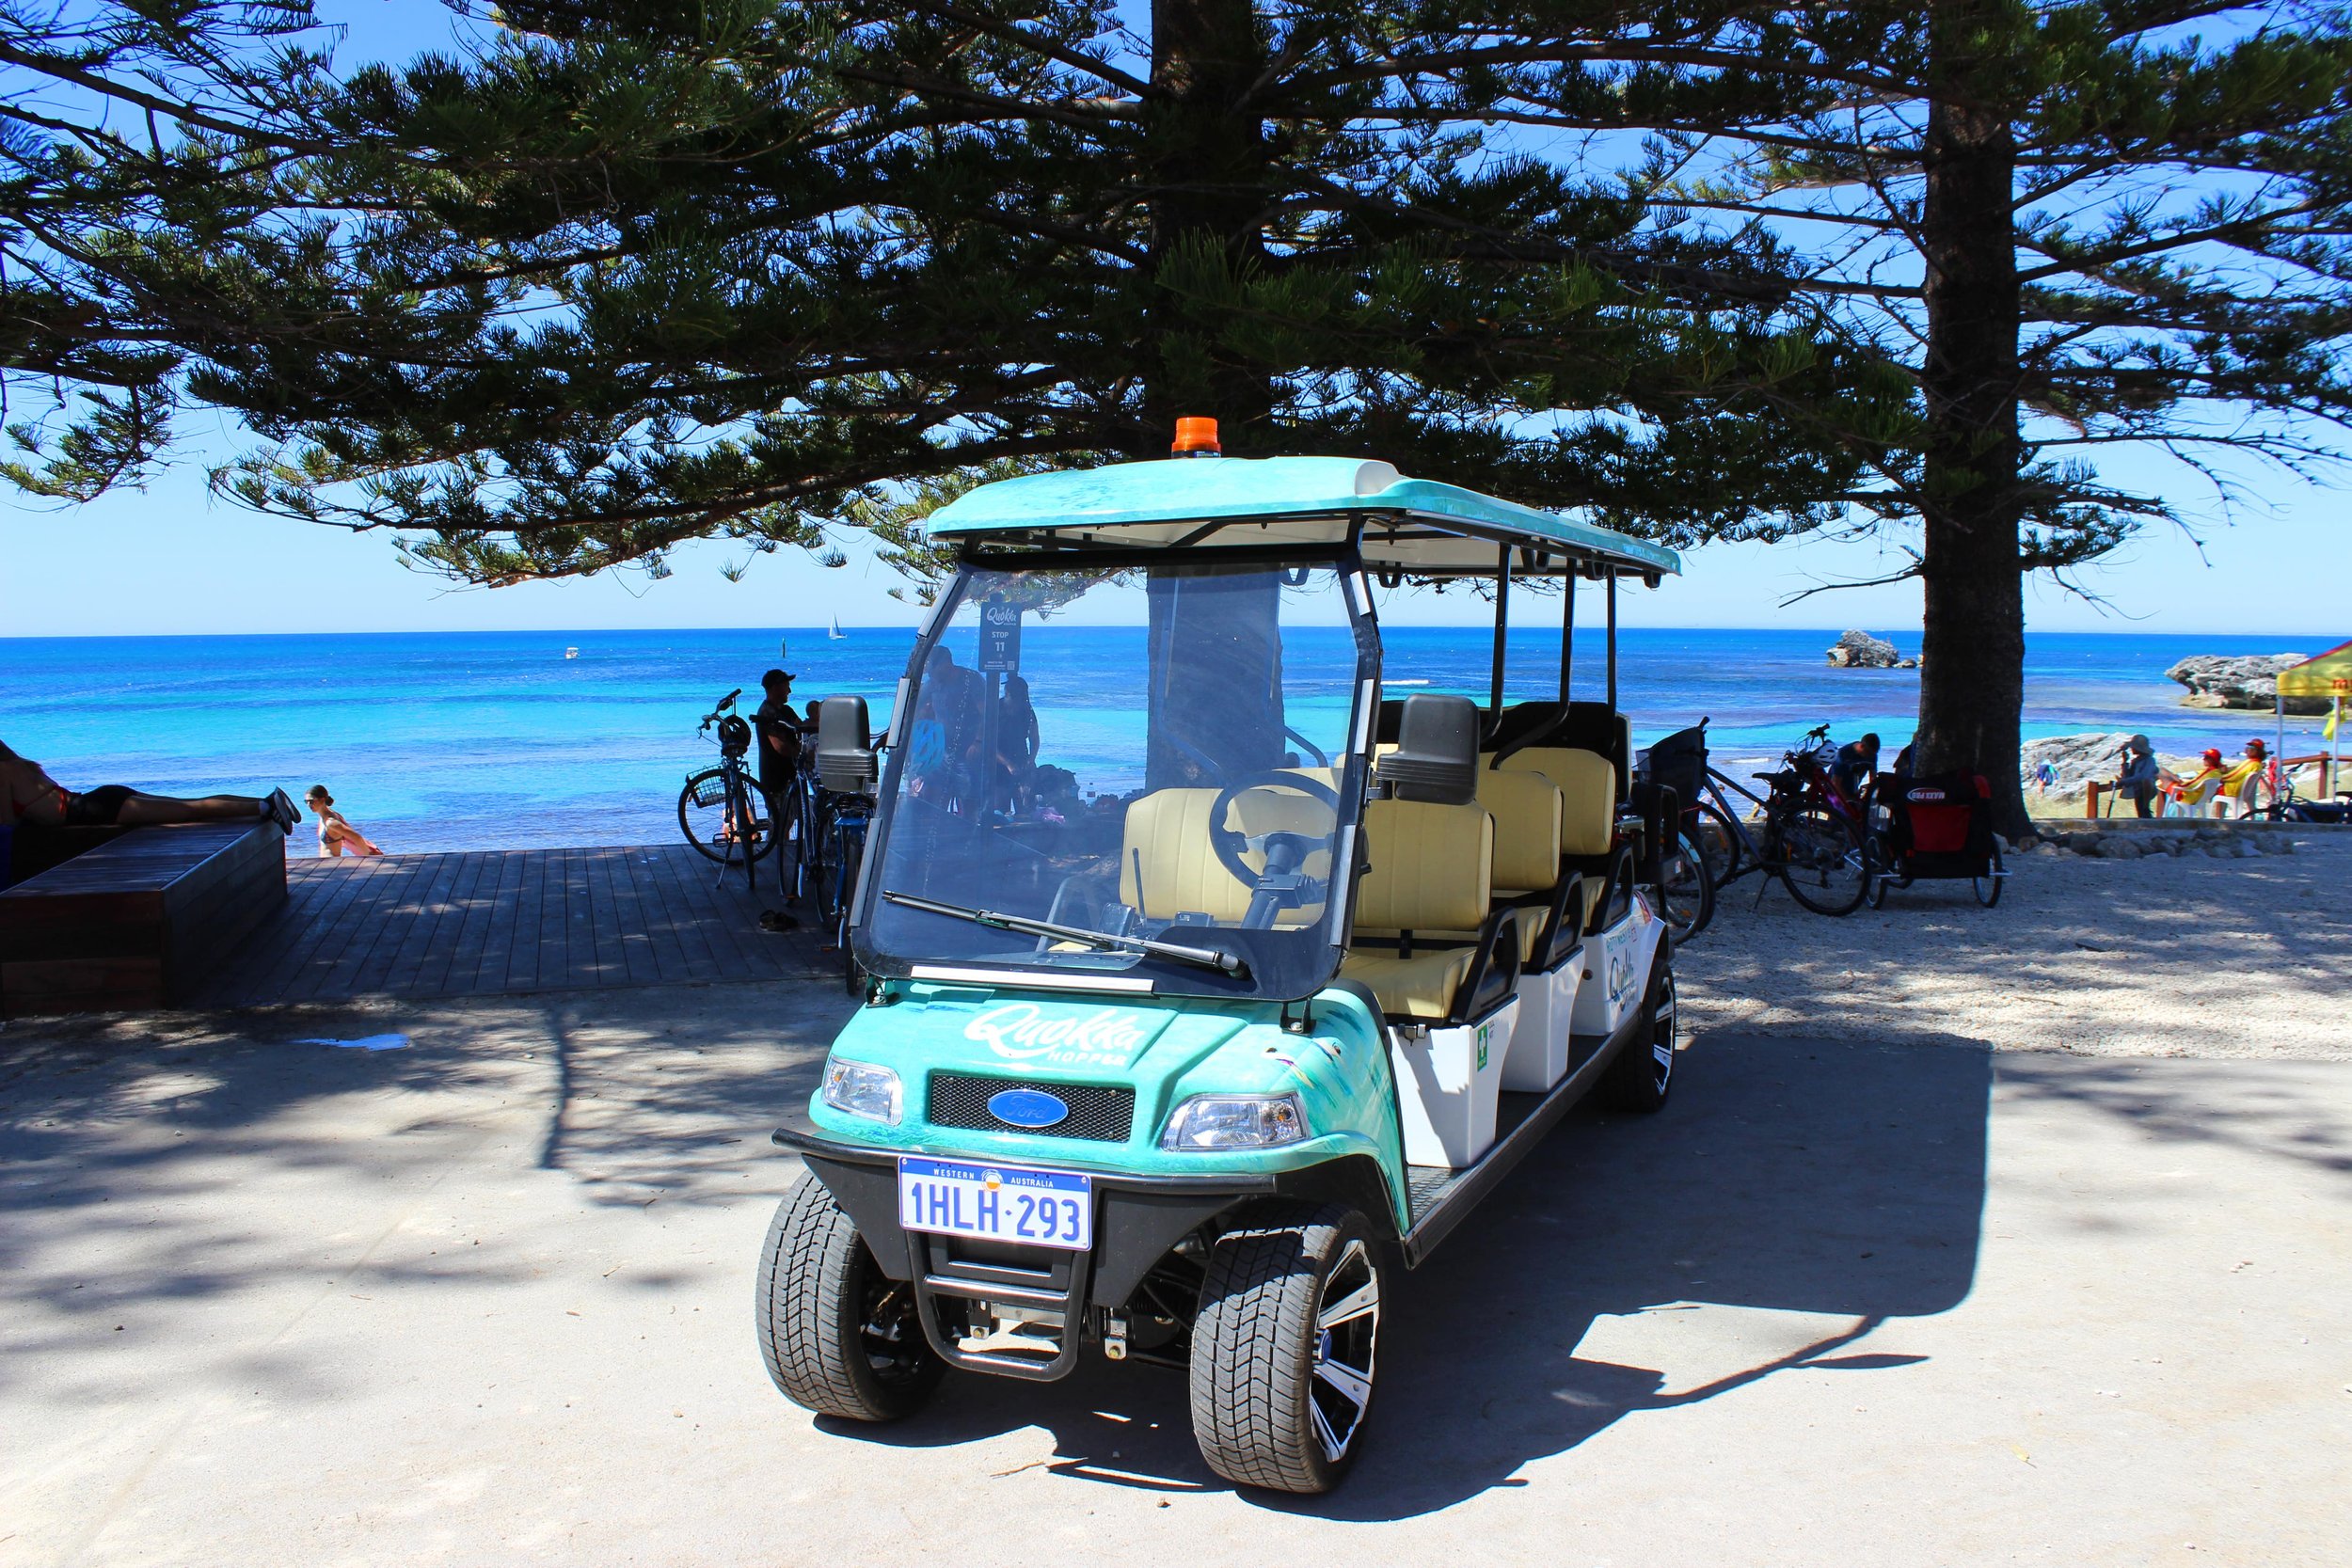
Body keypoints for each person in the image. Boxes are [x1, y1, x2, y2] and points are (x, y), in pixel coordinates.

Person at [1, 738, 296, 834]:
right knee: (186, 805)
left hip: (97, 810)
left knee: (186, 811)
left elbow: (7, 824)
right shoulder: (21, 765)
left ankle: (267, 805)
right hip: (100, 800)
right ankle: (264, 802)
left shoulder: (5, 773)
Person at [754, 668, 811, 806]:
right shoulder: (766, 713)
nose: (789, 691)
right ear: (775, 687)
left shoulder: (786, 710)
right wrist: (805, 757)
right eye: (787, 686)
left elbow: (802, 727)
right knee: (780, 824)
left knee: (794, 818)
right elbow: (780, 747)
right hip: (775, 779)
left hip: (790, 776)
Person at [302, 785, 383, 857]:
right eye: (306, 802)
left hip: (331, 865)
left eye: (311, 801)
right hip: (325, 865)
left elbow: (356, 837)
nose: (309, 805)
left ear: (322, 800)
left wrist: (368, 855)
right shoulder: (324, 817)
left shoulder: (331, 822)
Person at [2109, 735, 2160, 818]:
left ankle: (2146, 808)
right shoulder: (2135, 761)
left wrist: (2123, 781)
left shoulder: (2150, 760)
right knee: (2141, 812)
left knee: (2144, 810)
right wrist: (2125, 762)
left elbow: (2143, 776)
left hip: (2147, 789)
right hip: (2137, 790)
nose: (2131, 749)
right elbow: (2128, 776)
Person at [1833, 731, 1881, 805]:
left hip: (1853, 790)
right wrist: (1848, 800)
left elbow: (1873, 779)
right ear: (1862, 746)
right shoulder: (1844, 754)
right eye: (1868, 753)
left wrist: (1868, 797)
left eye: (1873, 754)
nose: (1870, 756)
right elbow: (1836, 783)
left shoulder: (1872, 756)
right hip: (1834, 791)